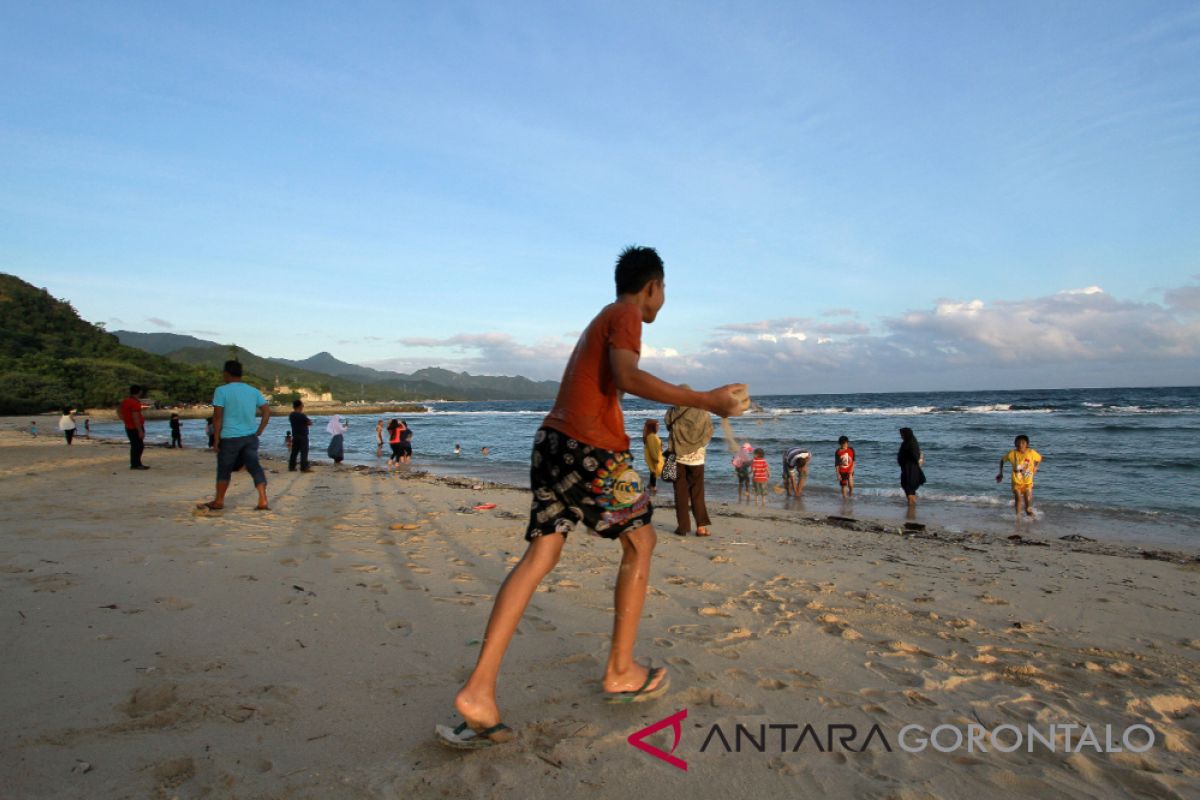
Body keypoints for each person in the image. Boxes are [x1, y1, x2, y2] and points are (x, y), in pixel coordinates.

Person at [439, 245, 746, 749]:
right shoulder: (626, 315)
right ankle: (621, 670)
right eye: (663, 289)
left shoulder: (602, 319)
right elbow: (628, 378)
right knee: (641, 544)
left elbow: (610, 385)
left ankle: (479, 690)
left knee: (540, 554)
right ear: (652, 287)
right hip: (589, 450)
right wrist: (704, 399)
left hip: (552, 443)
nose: (662, 299)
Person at [198, 360, 270, 511]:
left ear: (226, 373)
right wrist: (260, 430)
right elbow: (266, 411)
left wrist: (216, 439)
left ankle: (219, 501)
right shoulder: (253, 391)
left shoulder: (221, 391)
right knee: (254, 467)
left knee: (224, 468)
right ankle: (263, 500)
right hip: (250, 437)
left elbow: (217, 417)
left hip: (230, 437)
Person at [667, 389, 714, 537]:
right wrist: (699, 444)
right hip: (697, 458)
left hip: (678, 456)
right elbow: (709, 430)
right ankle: (701, 527)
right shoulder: (702, 411)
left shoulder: (673, 411)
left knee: (680, 493)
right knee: (697, 492)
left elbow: (668, 425)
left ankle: (683, 527)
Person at [997, 434, 1042, 519]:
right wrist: (1000, 473)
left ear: (1027, 444)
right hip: (1016, 481)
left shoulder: (1031, 452)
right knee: (1018, 498)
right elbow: (1002, 460)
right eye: (1018, 443)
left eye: (1023, 443)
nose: (1020, 445)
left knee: (1027, 504)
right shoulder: (1012, 453)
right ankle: (1018, 518)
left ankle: (1031, 517)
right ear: (1015, 443)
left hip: (1028, 482)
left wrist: (1036, 467)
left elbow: (1040, 458)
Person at [119, 385, 148, 470]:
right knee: (139, 446)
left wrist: (124, 419)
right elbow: (135, 417)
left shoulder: (125, 401)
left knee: (135, 445)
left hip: (128, 426)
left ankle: (135, 463)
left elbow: (118, 410)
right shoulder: (135, 403)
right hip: (135, 427)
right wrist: (140, 430)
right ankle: (136, 464)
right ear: (139, 392)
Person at [897, 427, 926, 510]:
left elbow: (915, 456)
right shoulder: (908, 442)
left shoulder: (910, 443)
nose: (901, 436)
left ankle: (911, 505)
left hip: (910, 469)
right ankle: (912, 506)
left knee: (908, 487)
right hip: (907, 468)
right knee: (909, 488)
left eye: (902, 434)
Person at [288, 400, 313, 472]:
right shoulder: (302, 415)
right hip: (303, 435)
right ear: (299, 406)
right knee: (304, 452)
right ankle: (304, 467)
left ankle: (291, 467)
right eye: (302, 405)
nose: (303, 407)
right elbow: (309, 422)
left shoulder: (291, 415)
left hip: (295, 435)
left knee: (294, 452)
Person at [641, 419, 664, 496]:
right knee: (654, 471)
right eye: (657, 426)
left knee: (653, 471)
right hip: (654, 457)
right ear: (652, 427)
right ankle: (652, 487)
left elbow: (655, 446)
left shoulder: (652, 435)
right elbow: (651, 448)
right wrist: (655, 458)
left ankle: (650, 486)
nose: (658, 427)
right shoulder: (651, 436)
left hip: (656, 457)